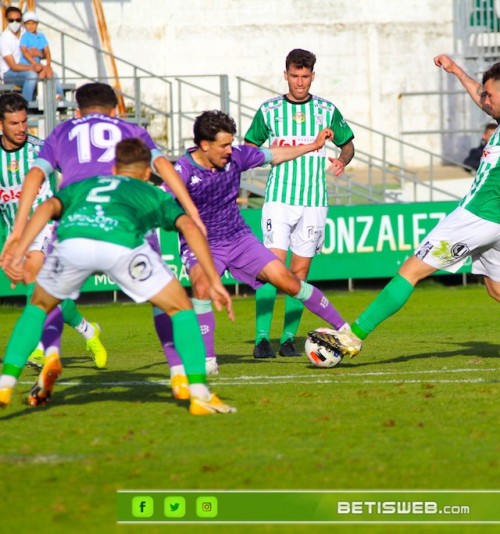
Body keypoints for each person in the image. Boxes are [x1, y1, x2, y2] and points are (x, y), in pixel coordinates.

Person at [309, 56, 500, 362]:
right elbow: (480, 96)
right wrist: (457, 71)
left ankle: (353, 337)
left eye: (489, 94)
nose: (484, 100)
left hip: (476, 216)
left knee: (411, 271)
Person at [0, 138, 236, 415]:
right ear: (147, 172)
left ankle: (5, 384)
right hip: (122, 246)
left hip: (73, 243)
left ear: (113, 168)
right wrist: (214, 279)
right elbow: (190, 227)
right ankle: (198, 393)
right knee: (181, 308)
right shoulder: (150, 192)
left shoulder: (84, 185)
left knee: (37, 307)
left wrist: (17, 248)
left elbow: (46, 208)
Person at [0, 82, 205, 376]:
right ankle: (180, 373)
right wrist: (191, 208)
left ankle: (29, 367)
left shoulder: (62, 131)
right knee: (165, 299)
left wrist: (19, 232)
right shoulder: (131, 129)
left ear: (79, 110)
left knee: (44, 296)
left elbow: (34, 177)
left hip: (75, 222)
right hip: (128, 219)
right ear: (114, 110)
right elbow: (163, 165)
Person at [167, 110, 352, 380]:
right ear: (204, 145)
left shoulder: (236, 157)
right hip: (202, 244)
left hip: (239, 238)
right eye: (224, 145)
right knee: (202, 287)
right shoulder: (181, 171)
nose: (231, 150)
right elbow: (159, 203)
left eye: (232, 143)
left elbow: (275, 154)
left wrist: (313, 146)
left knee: (288, 281)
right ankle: (207, 359)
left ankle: (346, 331)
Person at [244, 48, 355, 359]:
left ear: (313, 76)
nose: (300, 82)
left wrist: (342, 161)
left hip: (314, 202)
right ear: (286, 74)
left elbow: (348, 145)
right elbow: (249, 147)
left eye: (305, 76)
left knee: (299, 274)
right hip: (279, 199)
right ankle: (262, 338)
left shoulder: (326, 110)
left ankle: (288, 339)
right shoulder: (268, 111)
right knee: (270, 269)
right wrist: (262, 159)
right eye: (295, 75)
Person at [0, 93, 107, 369]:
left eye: (24, 121)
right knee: (54, 299)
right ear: (1, 124)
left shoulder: (40, 149)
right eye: (14, 123)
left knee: (36, 285)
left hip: (48, 226)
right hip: (15, 231)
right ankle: (88, 331)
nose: (22, 128)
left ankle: (35, 348)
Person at [18, 12, 65, 104]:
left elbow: (47, 51)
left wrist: (48, 64)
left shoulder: (41, 36)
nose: (31, 26)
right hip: (27, 64)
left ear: (37, 24)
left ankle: (58, 96)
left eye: (33, 23)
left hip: (38, 65)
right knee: (38, 73)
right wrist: (35, 63)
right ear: (24, 25)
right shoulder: (25, 36)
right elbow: (24, 52)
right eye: (28, 24)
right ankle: (32, 99)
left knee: (50, 72)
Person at [0, 7, 42, 104]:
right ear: (6, 20)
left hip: (27, 68)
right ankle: (26, 105)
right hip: (9, 74)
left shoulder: (26, 33)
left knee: (51, 74)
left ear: (21, 20)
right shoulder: (4, 39)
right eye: (11, 20)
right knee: (32, 75)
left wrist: (39, 53)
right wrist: (34, 67)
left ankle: (60, 102)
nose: (15, 23)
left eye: (18, 20)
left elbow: (41, 52)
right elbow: (13, 66)